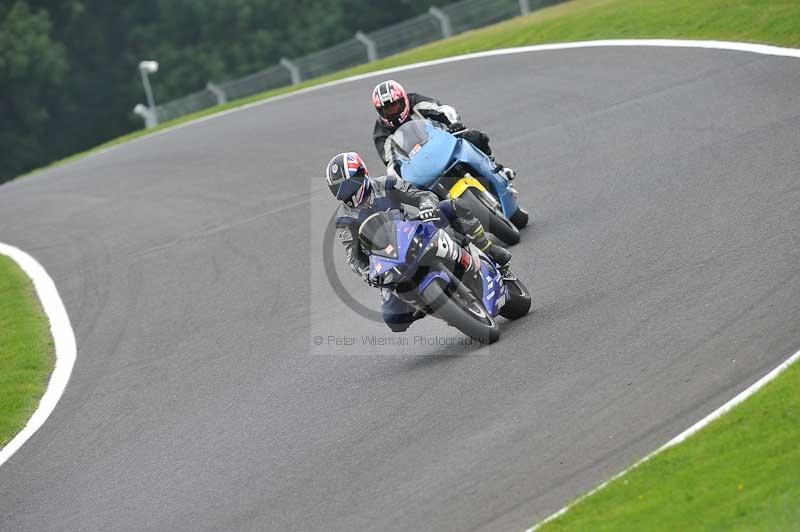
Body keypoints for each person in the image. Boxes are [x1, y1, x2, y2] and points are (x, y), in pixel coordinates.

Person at [326, 151, 511, 332]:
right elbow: (353, 256)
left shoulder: (386, 184)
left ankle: (487, 247)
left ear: (362, 174)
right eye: (339, 189)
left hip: (414, 231)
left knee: (453, 206)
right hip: (388, 260)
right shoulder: (344, 219)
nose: (347, 193)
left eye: (350, 185)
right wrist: (368, 273)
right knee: (393, 318)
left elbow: (422, 195)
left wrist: (427, 208)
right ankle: (441, 307)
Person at [371, 79, 516, 181]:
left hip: (442, 143)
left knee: (475, 137)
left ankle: (497, 170)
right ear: (379, 110)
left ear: (403, 100)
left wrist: (453, 123)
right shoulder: (381, 133)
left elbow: (442, 110)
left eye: (394, 105)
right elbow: (390, 162)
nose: (392, 111)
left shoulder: (415, 101)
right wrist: (398, 175)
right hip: (418, 163)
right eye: (387, 109)